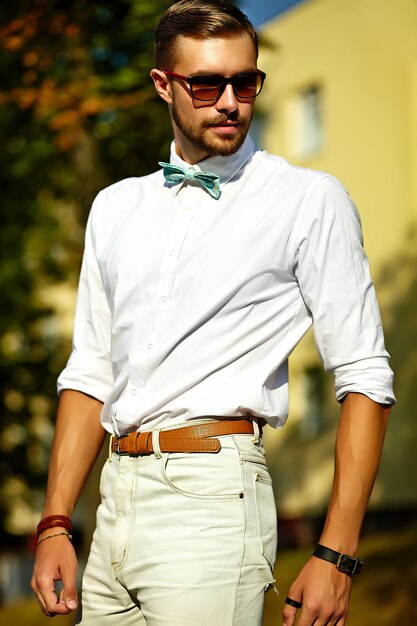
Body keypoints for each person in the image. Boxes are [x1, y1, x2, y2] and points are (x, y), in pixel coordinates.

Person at [31, 1, 395, 625]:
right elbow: (90, 372)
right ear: (163, 85)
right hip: (114, 503)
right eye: (206, 84)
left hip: (212, 499)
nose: (229, 101)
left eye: (245, 81)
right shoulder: (115, 208)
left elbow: (365, 376)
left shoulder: (308, 201)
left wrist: (337, 556)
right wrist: (55, 522)